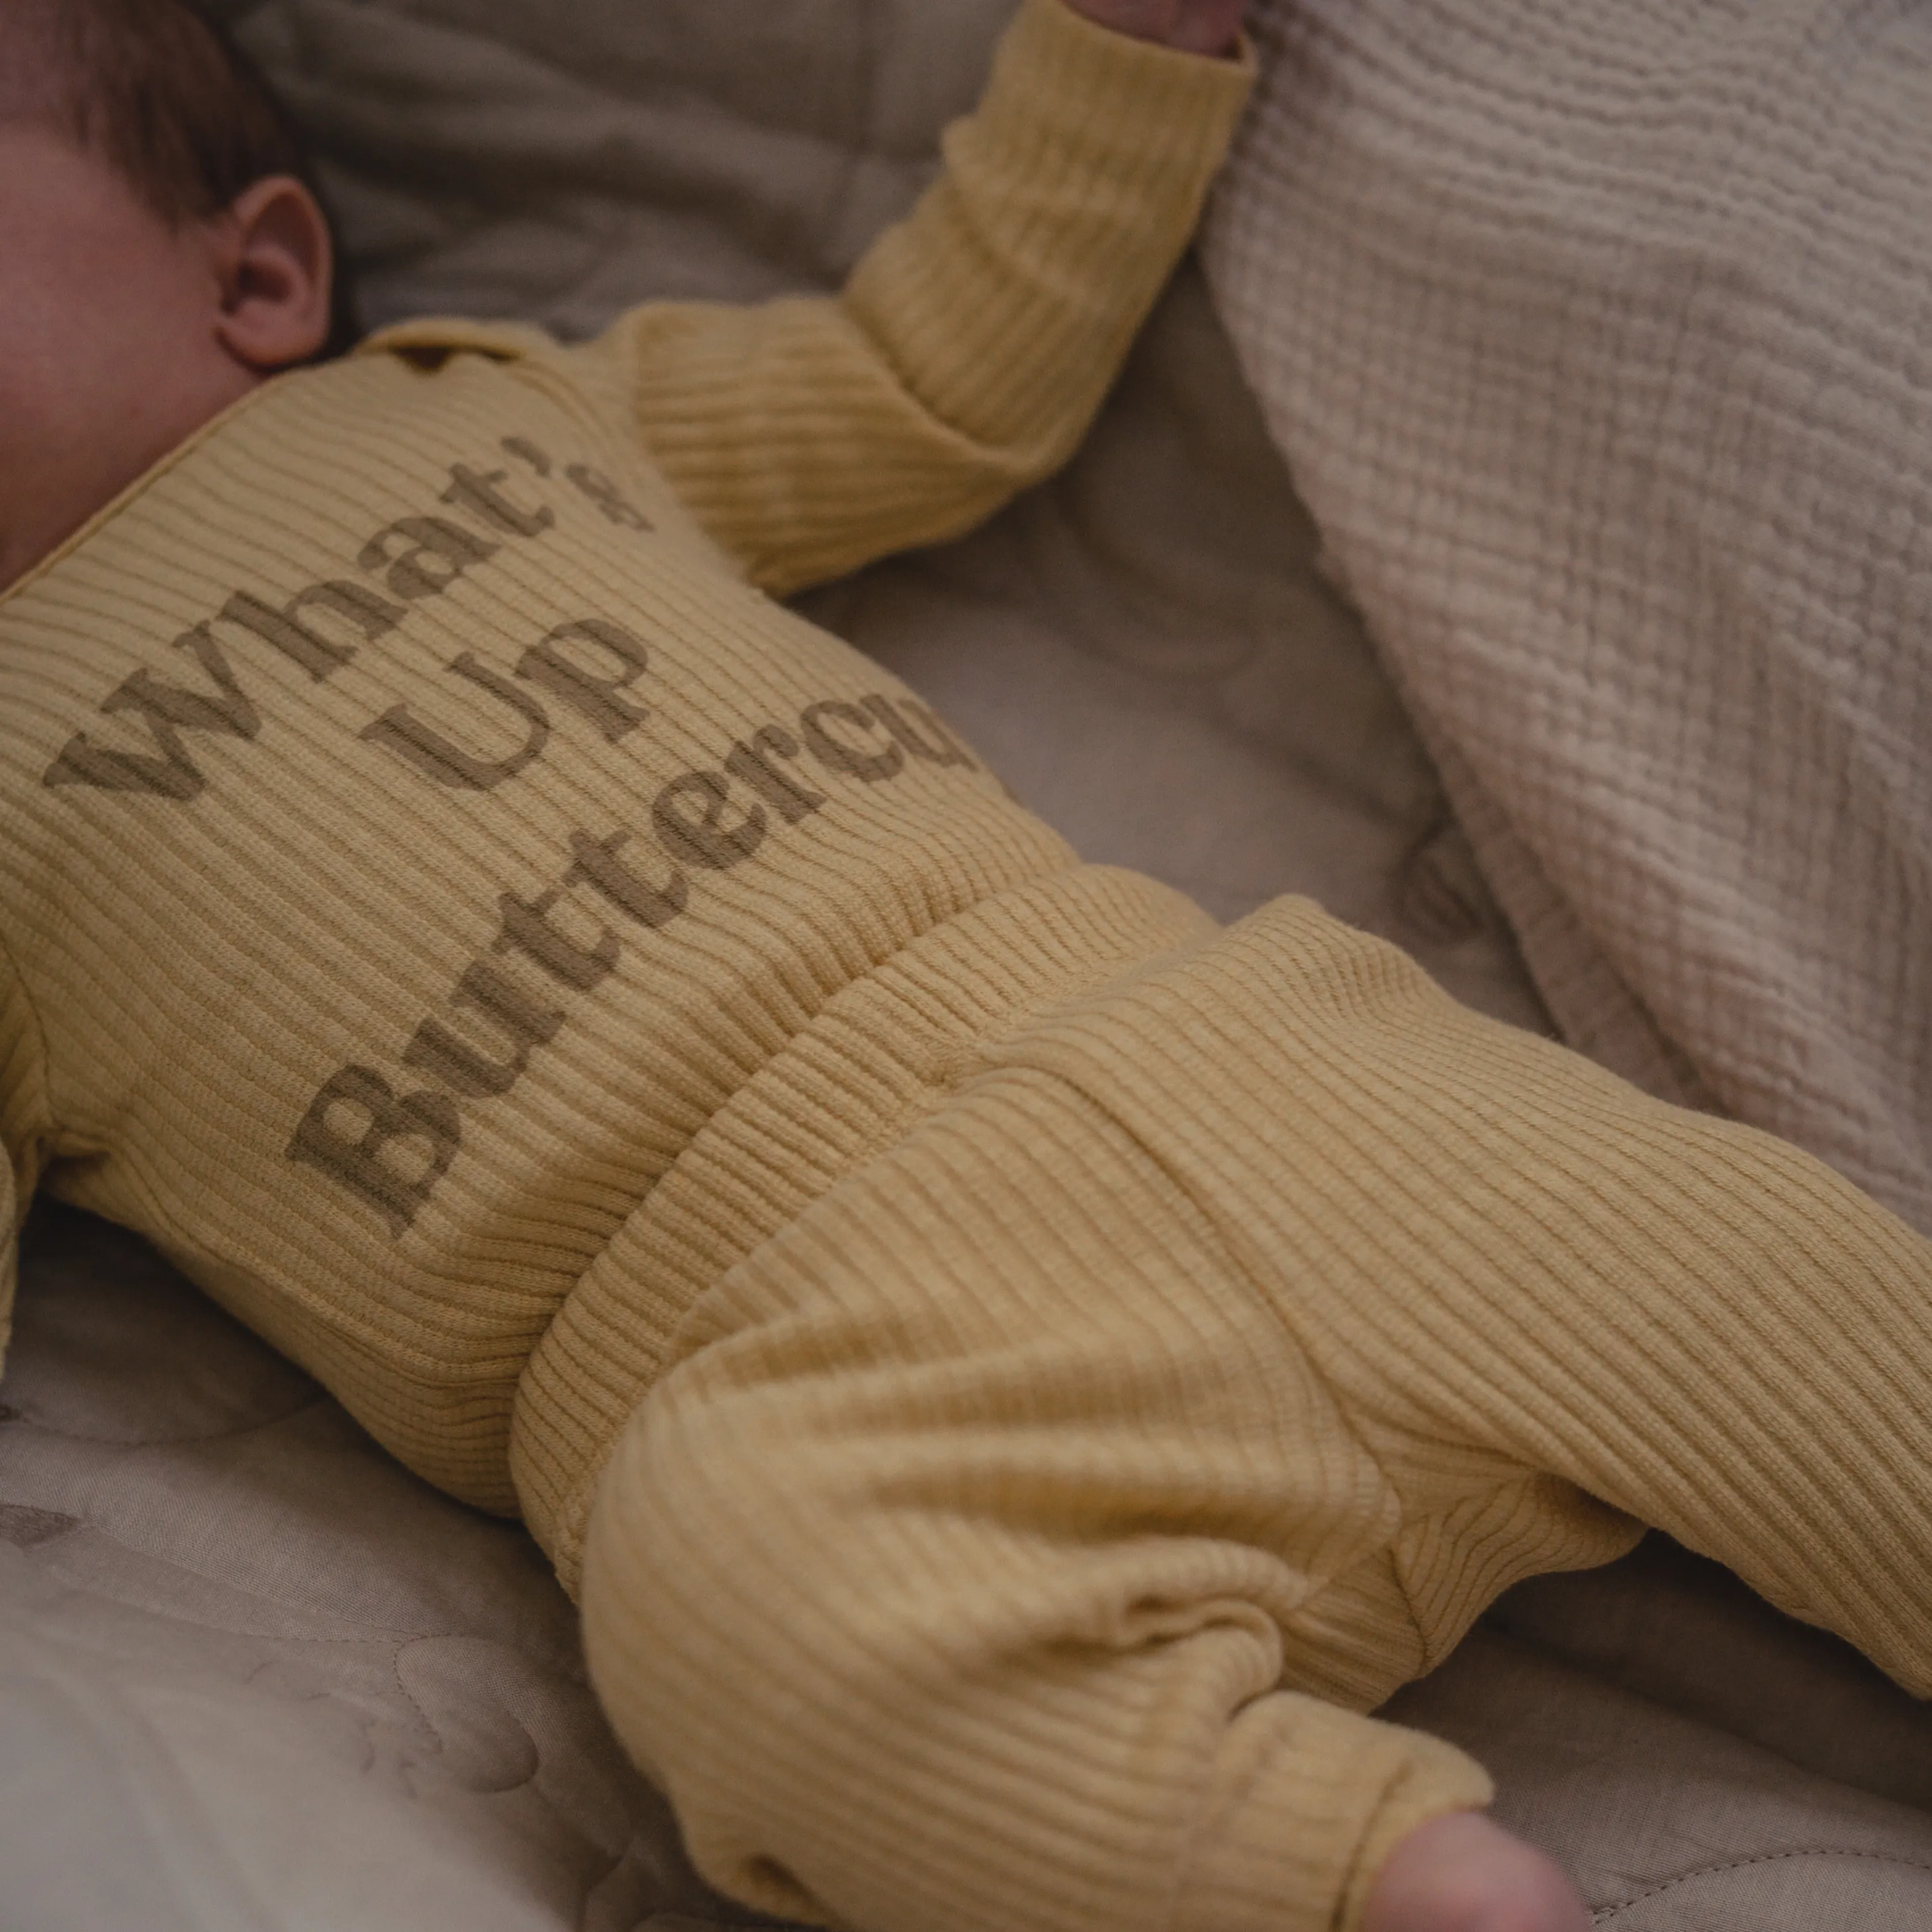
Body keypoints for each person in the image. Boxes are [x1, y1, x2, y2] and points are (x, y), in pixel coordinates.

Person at [2, 2, 1929, 1929]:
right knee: (747, 1633)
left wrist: (1117, 57)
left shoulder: (499, 404)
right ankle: (1362, 1880)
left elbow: (929, 382)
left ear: (258, 275)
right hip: (804, 1357)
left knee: (1771, 1280)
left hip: (1246, 1064)